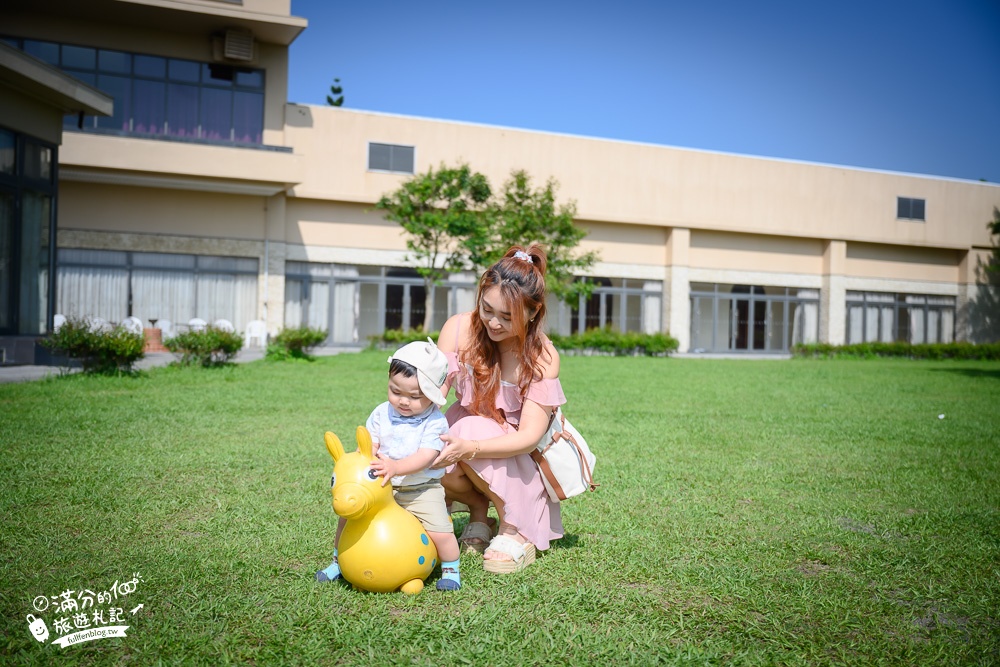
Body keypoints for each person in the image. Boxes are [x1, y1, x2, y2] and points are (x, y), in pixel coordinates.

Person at [432, 244, 566, 573]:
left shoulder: (541, 357)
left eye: (507, 317)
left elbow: (529, 437)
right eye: (487, 309)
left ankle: (515, 527)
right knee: (435, 441)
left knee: (465, 429)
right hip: (468, 441)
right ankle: (480, 513)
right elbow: (434, 394)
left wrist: (470, 446)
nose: (493, 323)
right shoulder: (459, 328)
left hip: (517, 457)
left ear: (533, 313)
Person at [316, 339, 463, 591]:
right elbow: (370, 444)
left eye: (415, 396)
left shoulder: (435, 422)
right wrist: (365, 457)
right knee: (347, 519)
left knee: (440, 530)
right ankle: (339, 561)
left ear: (432, 393)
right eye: (396, 391)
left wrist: (396, 467)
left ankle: (451, 568)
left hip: (420, 489)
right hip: (383, 487)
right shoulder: (381, 413)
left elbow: (426, 456)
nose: (404, 401)